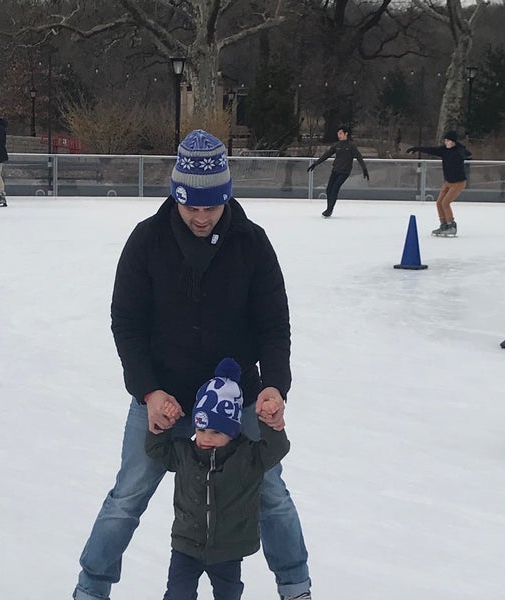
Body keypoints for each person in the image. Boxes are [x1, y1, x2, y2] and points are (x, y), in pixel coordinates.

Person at [74, 129, 312, 600]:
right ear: (176, 196)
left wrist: (275, 387)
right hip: (165, 401)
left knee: (271, 497)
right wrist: (149, 391)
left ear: (226, 196)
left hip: (236, 402)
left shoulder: (252, 244)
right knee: (127, 498)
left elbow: (274, 325)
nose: (201, 217)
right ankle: (90, 588)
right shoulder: (146, 241)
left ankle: (296, 587)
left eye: (212, 206)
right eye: (191, 207)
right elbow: (127, 322)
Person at [145, 357, 290, 600]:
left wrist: (268, 420)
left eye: (215, 432)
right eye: (200, 430)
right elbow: (156, 450)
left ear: (233, 431)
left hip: (228, 550)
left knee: (229, 594)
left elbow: (277, 448)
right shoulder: (185, 453)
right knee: (178, 593)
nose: (205, 438)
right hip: (186, 546)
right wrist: (165, 424)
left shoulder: (248, 458)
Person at [406, 130, 471, 237]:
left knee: (445, 203)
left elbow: (467, 153)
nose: (446, 143)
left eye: (449, 141)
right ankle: (443, 224)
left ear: (453, 142)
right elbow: (430, 149)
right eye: (445, 140)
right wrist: (417, 148)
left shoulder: (459, 151)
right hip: (448, 182)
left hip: (458, 182)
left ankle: (451, 226)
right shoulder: (443, 150)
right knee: (439, 202)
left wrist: (461, 149)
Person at [307, 125, 369, 217]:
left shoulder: (351, 146)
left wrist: (364, 169)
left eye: (340, 133)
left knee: (335, 188)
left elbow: (359, 157)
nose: (338, 135)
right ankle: (329, 208)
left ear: (346, 134)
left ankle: (329, 210)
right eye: (338, 133)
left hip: (345, 172)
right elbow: (326, 155)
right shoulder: (337, 145)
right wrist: (316, 163)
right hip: (335, 170)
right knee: (329, 189)